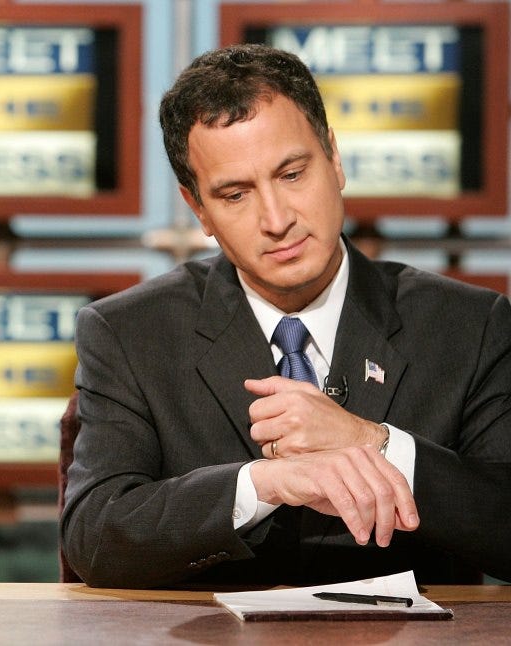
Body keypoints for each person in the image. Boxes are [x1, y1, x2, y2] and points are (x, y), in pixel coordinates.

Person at [61, 44, 511, 588]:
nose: (276, 220)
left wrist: (375, 442)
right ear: (198, 209)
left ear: (335, 160)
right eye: (234, 195)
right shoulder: (130, 333)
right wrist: (263, 484)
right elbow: (94, 536)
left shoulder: (470, 325)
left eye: (292, 174)